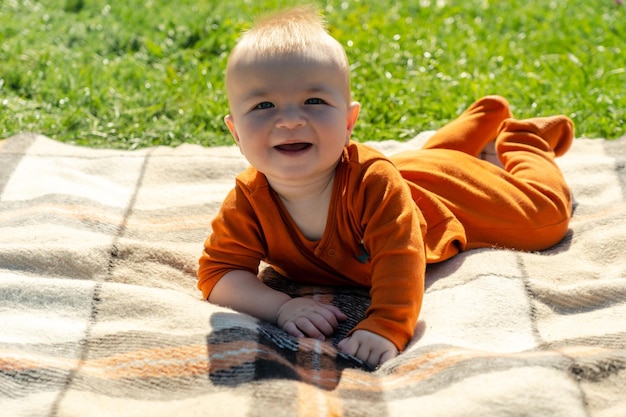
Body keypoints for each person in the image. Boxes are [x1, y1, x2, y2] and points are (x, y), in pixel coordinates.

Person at [197, 5, 573, 368]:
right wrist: (280, 306)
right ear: (235, 132)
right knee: (426, 162)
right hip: (409, 173)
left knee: (546, 218)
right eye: (264, 105)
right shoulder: (248, 200)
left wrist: (387, 325)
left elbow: (401, 259)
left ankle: (524, 139)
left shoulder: (374, 183)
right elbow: (219, 274)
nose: (291, 120)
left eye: (314, 100)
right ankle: (480, 120)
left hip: (445, 198)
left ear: (348, 122)